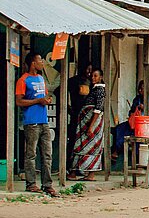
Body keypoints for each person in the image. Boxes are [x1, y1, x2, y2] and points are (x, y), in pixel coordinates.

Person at [15, 52, 58, 197]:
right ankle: (31, 184)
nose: (42, 63)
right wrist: (37, 101)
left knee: (47, 154)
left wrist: (46, 100)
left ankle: (47, 185)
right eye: (40, 60)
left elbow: (44, 96)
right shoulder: (23, 80)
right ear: (33, 63)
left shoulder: (41, 78)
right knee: (31, 154)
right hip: (31, 122)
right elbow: (19, 101)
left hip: (44, 121)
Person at [69, 69, 106, 181]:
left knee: (90, 147)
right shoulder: (93, 89)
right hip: (86, 122)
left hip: (92, 123)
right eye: (92, 76)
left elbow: (98, 109)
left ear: (100, 77)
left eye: (96, 76)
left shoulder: (100, 90)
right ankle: (78, 172)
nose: (93, 78)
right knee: (81, 146)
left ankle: (89, 174)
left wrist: (91, 126)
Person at [111, 80, 149, 161]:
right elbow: (131, 112)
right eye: (139, 88)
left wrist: (146, 109)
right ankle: (116, 149)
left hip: (146, 124)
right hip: (135, 122)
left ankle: (122, 151)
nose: (139, 90)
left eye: (142, 89)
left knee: (131, 132)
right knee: (119, 128)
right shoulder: (137, 99)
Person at [67, 63, 92, 169]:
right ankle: (71, 166)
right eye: (87, 69)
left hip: (88, 116)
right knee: (74, 141)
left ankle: (82, 166)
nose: (89, 72)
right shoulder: (73, 81)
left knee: (85, 142)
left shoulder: (92, 83)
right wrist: (67, 108)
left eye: (91, 70)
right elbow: (59, 91)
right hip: (76, 114)